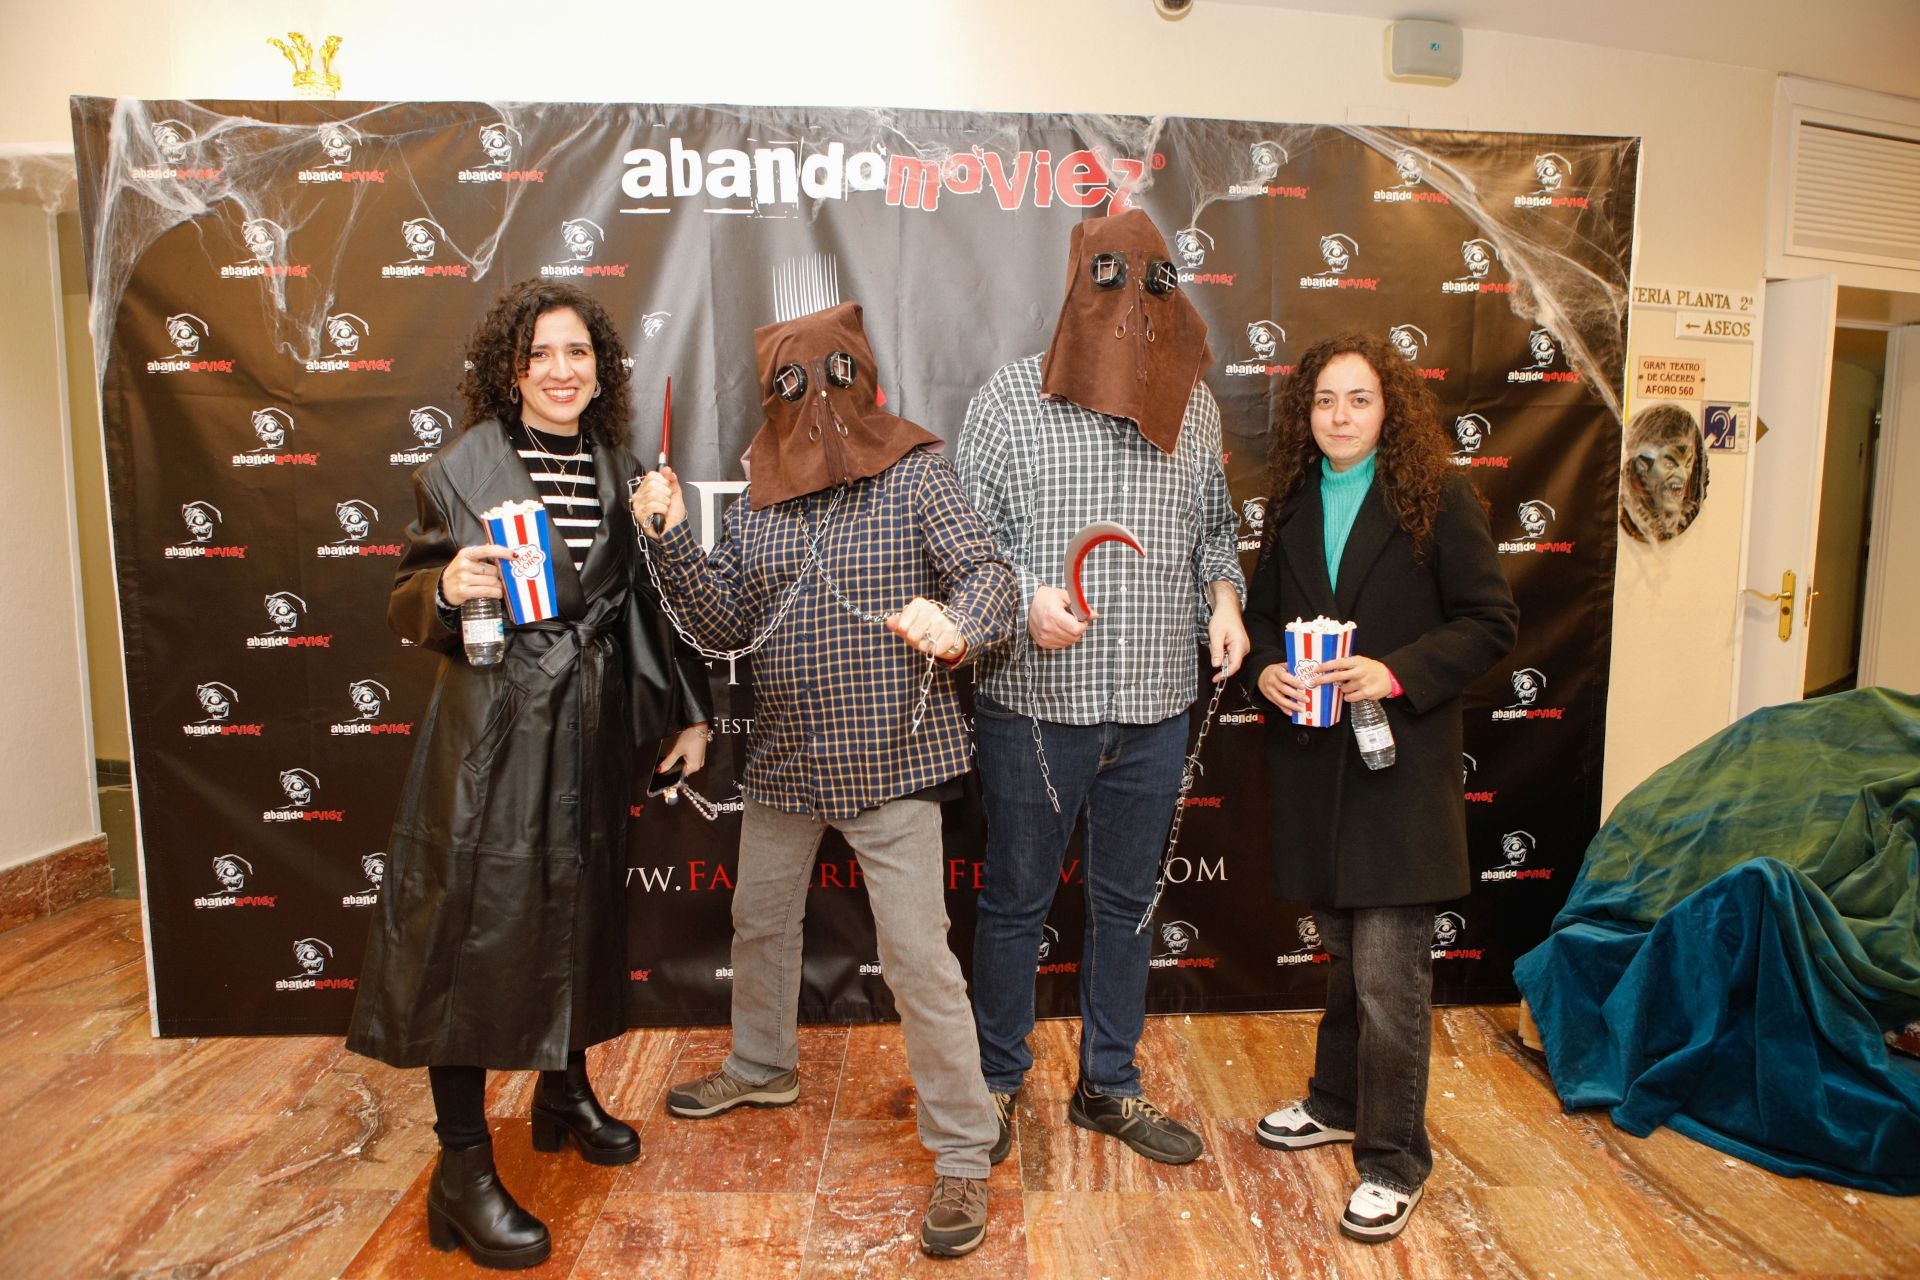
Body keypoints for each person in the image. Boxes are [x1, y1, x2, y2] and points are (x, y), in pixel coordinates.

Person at [630, 301, 1016, 1259]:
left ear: (865, 376)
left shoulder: (916, 472)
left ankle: (965, 1147)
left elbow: (993, 574)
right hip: (788, 763)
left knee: (920, 960)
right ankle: (762, 1062)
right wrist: (673, 536)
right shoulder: (760, 495)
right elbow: (721, 626)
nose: (815, 405)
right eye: (791, 387)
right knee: (759, 921)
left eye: (833, 379)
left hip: (894, 758)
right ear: (771, 397)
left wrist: (959, 622)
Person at [346, 279, 711, 1271]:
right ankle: (461, 1167)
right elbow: (403, 594)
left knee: (582, 911)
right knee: (467, 937)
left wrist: (683, 708)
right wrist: (442, 584)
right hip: (494, 734)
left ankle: (561, 1090)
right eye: (541, 354)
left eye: (579, 354)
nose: (561, 370)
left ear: (601, 372)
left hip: (588, 733)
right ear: (510, 370)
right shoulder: (462, 466)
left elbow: (637, 606)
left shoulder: (619, 466)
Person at [955, 208, 1247, 1167]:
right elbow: (965, 545)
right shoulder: (1008, 400)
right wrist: (1028, 598)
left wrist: (1225, 598)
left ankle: (1108, 1086)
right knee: (1015, 904)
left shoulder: (1194, 405)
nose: (1130, 301)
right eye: (1109, 276)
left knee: (1126, 908)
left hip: (1157, 708)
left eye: (1151, 279)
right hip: (1035, 709)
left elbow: (1215, 529)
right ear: (1081, 280)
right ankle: (997, 1084)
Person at [1242, 333, 1517, 1242]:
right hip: (1318, 775)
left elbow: (1491, 622)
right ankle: (1336, 1100)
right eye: (1325, 401)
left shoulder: (1437, 499)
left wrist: (1393, 673)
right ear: (1305, 414)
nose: (1341, 417)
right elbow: (1263, 622)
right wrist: (1267, 674)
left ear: (1389, 408)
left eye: (1358, 400)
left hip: (1399, 774)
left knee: (1392, 979)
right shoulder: (1289, 502)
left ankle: (1396, 1160)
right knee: (1343, 959)